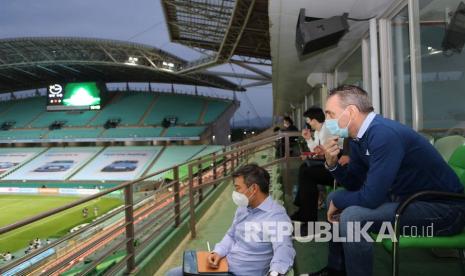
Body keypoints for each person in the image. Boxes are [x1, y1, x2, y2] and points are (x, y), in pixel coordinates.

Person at [318, 85, 465, 276]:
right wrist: (333, 165)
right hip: (408, 200)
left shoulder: (384, 134)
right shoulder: (357, 139)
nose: (327, 121)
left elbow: (371, 198)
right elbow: (354, 183)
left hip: (444, 211)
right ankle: (336, 270)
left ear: (351, 111)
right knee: (334, 198)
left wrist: (339, 202)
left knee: (353, 217)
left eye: (330, 114)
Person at [166, 164, 295, 276]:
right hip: (225, 265)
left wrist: (274, 273)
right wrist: (218, 252)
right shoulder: (243, 208)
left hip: (240, 273)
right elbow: (231, 235)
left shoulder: (276, 217)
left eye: (238, 188)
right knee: (175, 273)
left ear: (254, 189)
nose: (235, 192)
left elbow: (284, 250)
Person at [292, 107, 349, 224]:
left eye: (308, 119)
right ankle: (303, 208)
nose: (307, 122)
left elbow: (334, 150)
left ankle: (308, 216)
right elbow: (318, 150)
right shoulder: (319, 132)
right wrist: (308, 139)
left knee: (307, 173)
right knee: (304, 168)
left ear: (313, 119)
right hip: (328, 164)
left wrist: (321, 151)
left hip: (335, 169)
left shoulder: (327, 130)